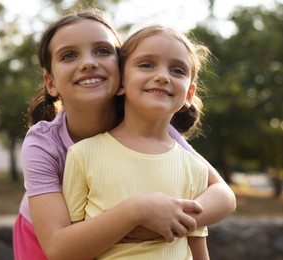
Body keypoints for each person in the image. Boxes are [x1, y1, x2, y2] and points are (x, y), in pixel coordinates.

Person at [13, 8, 236, 260]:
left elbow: (223, 195)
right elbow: (58, 246)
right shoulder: (43, 143)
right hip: (44, 236)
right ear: (51, 82)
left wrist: (170, 219)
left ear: (121, 72)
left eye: (102, 50)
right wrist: (137, 212)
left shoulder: (149, 127)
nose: (88, 62)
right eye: (69, 55)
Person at [62, 24, 212, 259]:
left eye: (178, 70)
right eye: (146, 65)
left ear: (189, 95)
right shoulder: (83, 154)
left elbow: (197, 246)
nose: (162, 76)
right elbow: (72, 247)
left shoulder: (195, 168)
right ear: (121, 82)